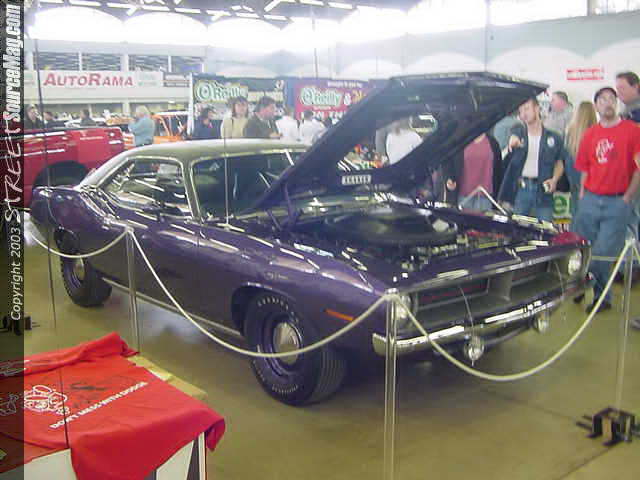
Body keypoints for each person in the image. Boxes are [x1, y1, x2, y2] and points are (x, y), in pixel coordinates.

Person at [573, 86, 640, 314]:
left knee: (602, 254)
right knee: (583, 250)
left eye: (612, 98)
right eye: (602, 99)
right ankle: (597, 294)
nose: (607, 103)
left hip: (617, 203)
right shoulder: (590, 134)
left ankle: (589, 287)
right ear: (596, 106)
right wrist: (582, 194)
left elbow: (639, 167)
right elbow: (584, 167)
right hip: (590, 200)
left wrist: (628, 197)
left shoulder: (632, 131)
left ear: (616, 103)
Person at [498, 97, 566, 222]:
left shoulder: (554, 137)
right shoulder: (518, 133)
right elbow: (513, 138)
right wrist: (512, 143)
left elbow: (559, 162)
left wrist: (555, 179)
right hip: (521, 190)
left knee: (545, 228)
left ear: (537, 108)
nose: (523, 114)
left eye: (526, 109)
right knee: (518, 228)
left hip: (544, 191)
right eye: (520, 111)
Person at [444, 132, 502, 210]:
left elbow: (499, 171)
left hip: (486, 197)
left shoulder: (493, 143)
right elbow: (448, 161)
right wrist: (449, 178)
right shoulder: (459, 141)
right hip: (462, 196)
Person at [564, 102, 597, 226]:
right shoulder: (596, 131)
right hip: (591, 182)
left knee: (575, 213)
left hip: (573, 179)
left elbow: (566, 157)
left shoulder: (570, 131)